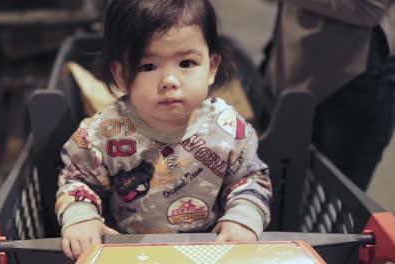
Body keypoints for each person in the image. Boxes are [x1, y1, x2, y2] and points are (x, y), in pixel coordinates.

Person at [55, 0, 273, 260]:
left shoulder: (227, 128)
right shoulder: (105, 133)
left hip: (207, 246)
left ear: (212, 67)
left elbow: (249, 179)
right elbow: (78, 178)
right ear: (121, 76)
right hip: (127, 249)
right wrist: (81, 217)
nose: (169, 81)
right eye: (148, 66)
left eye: (186, 63)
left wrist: (243, 217)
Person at [260, 0, 395, 191]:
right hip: (290, 73)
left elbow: (367, 9)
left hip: (348, 88)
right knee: (273, 198)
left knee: (330, 207)